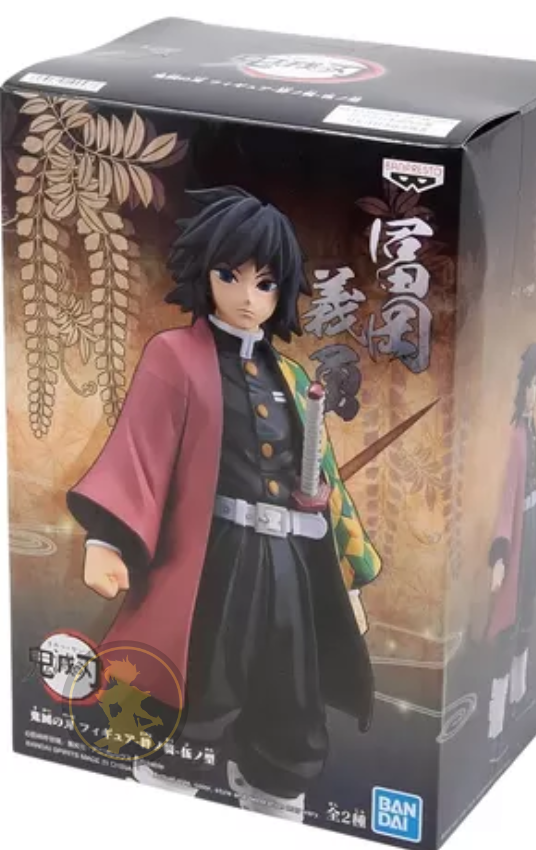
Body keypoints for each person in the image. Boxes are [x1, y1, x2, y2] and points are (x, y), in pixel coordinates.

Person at [67, 186, 381, 820]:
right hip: (214, 557)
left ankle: (276, 792)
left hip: (288, 564)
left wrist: (348, 579)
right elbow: (140, 450)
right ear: (204, 272)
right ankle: (166, 788)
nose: (247, 297)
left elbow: (325, 482)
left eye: (265, 283)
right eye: (229, 275)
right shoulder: (174, 357)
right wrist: (105, 538)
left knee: (291, 691)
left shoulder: (293, 378)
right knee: (200, 682)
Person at [485, 343, 536, 763]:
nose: (532, 393)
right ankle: (493, 730)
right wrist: (500, 554)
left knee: (527, 617)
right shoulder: (514, 437)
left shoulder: (535, 429)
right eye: (528, 385)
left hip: (535, 529)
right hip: (519, 535)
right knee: (507, 630)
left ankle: (519, 698)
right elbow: (507, 499)